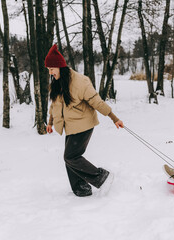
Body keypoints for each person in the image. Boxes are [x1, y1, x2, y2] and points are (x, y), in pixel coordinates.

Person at [45, 44, 124, 197]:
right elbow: (54, 105)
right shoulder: (57, 83)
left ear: (60, 67)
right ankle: (81, 188)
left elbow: (97, 102)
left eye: (52, 69)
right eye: (48, 69)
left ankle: (102, 177)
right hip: (71, 125)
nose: (50, 72)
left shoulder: (80, 82)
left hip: (84, 124)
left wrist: (114, 118)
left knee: (70, 156)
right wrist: (50, 122)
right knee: (70, 158)